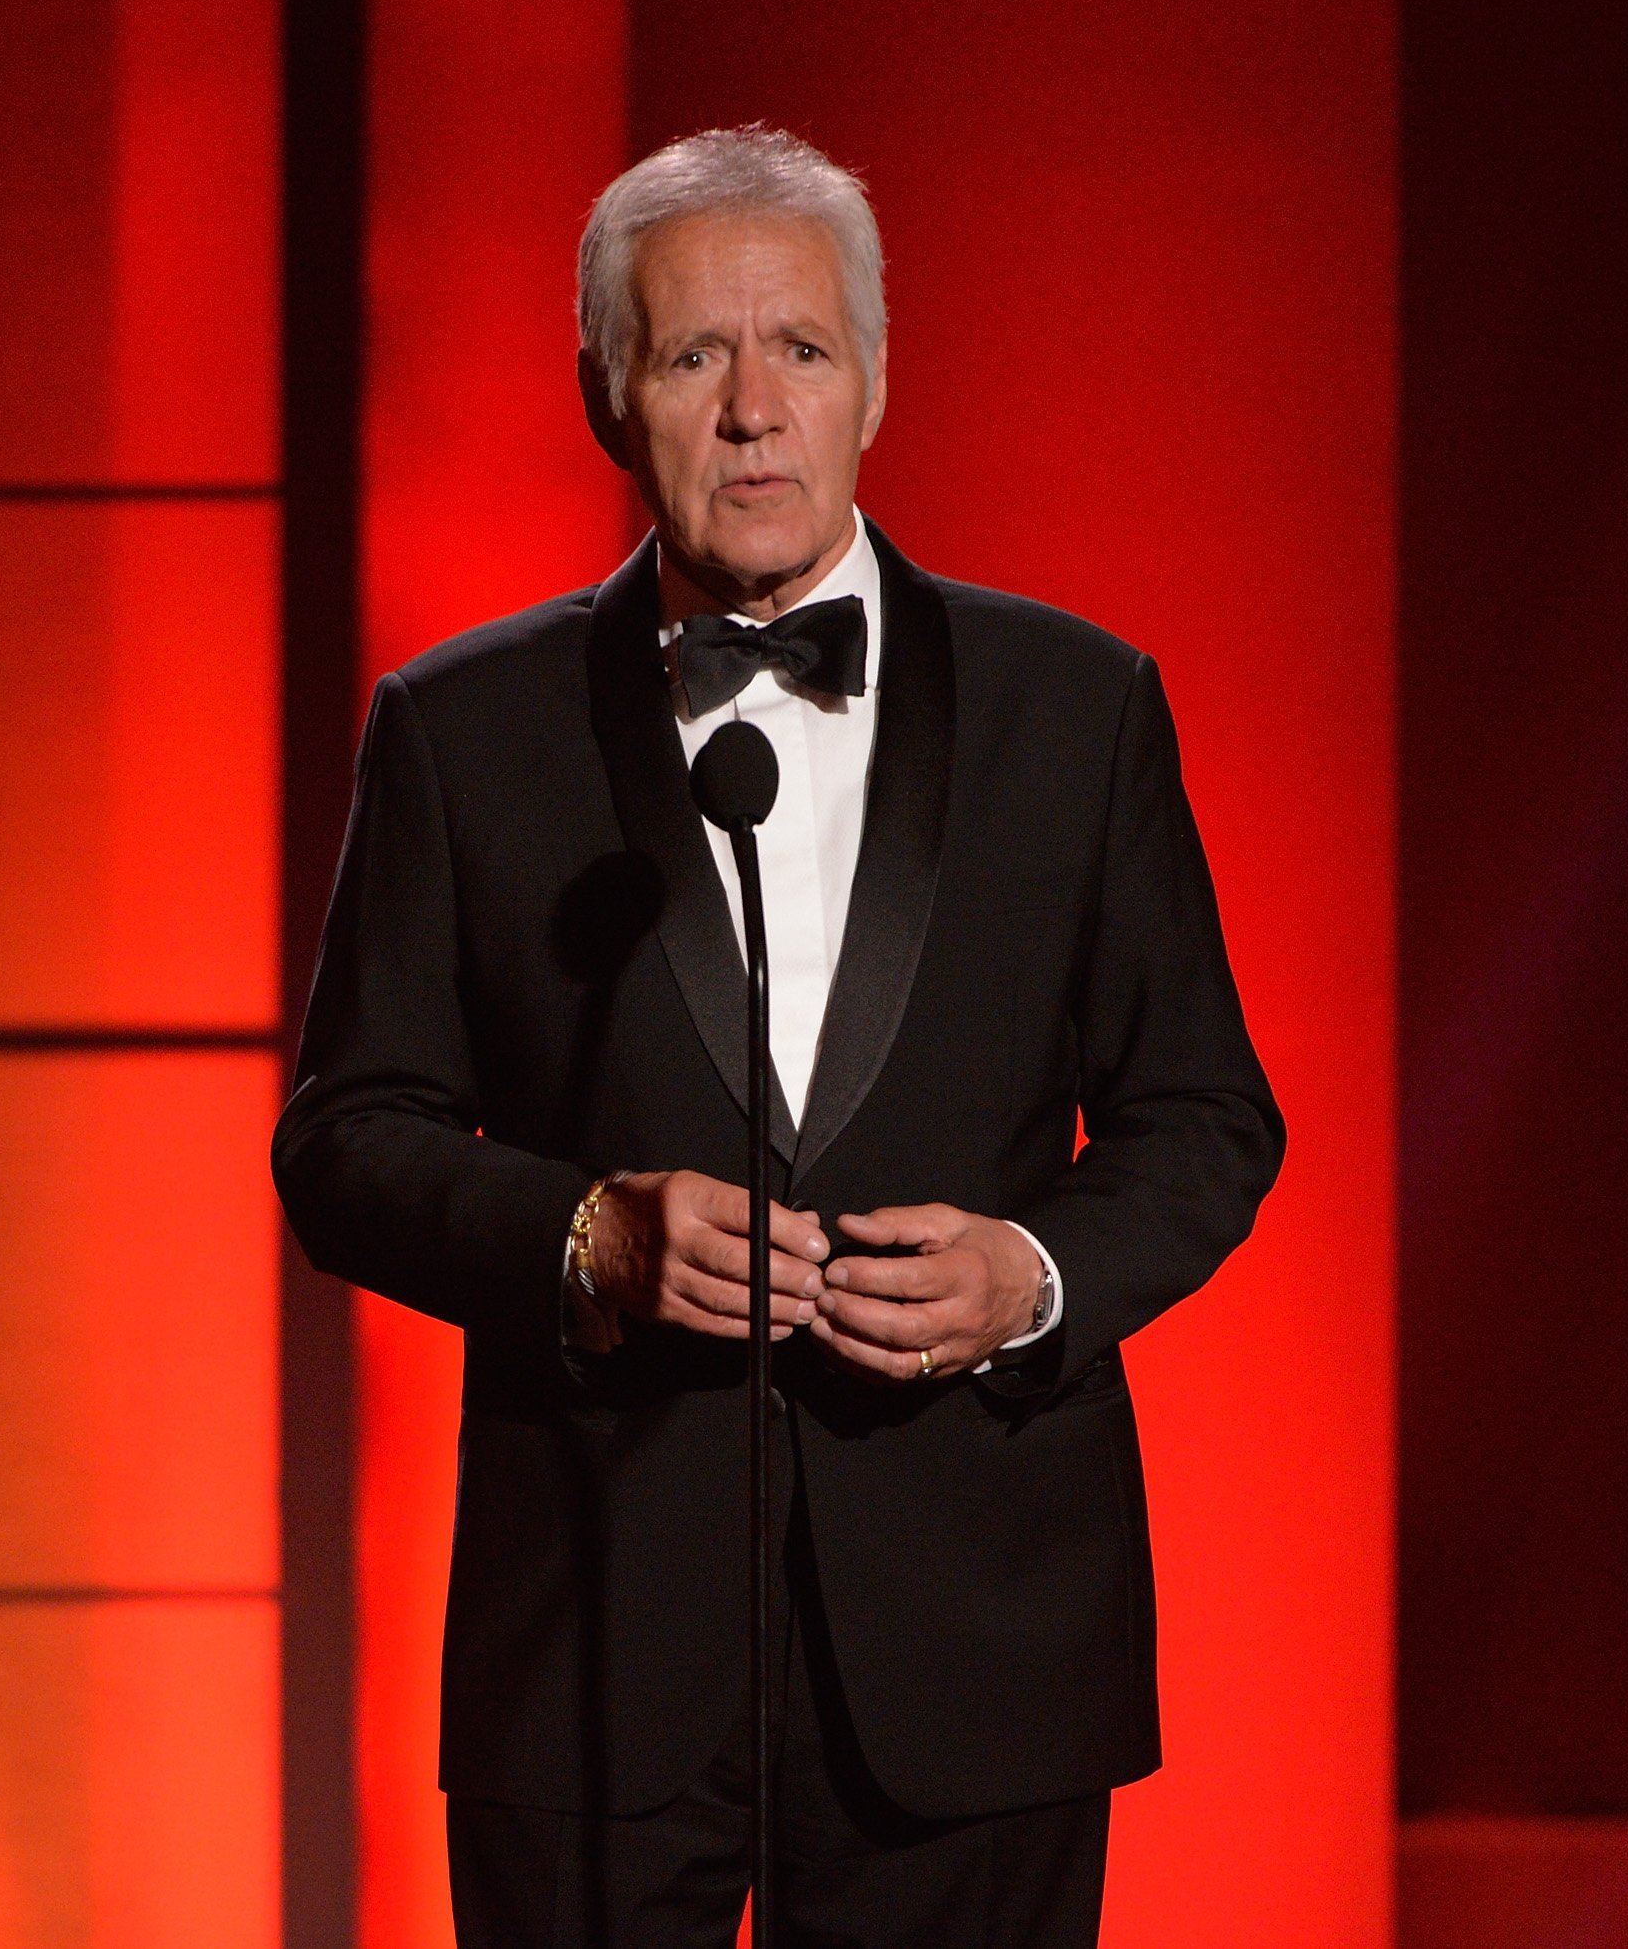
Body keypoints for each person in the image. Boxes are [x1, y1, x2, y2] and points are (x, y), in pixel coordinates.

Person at [273, 125, 1283, 1948]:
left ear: (875, 383)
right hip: (590, 1656)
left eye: (800, 351)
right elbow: (347, 1141)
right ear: (608, 397)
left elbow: (1206, 1116)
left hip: (976, 1653)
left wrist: (1034, 1276)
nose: (754, 411)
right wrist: (581, 1239)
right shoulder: (460, 729)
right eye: (691, 357)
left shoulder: (1081, 709)